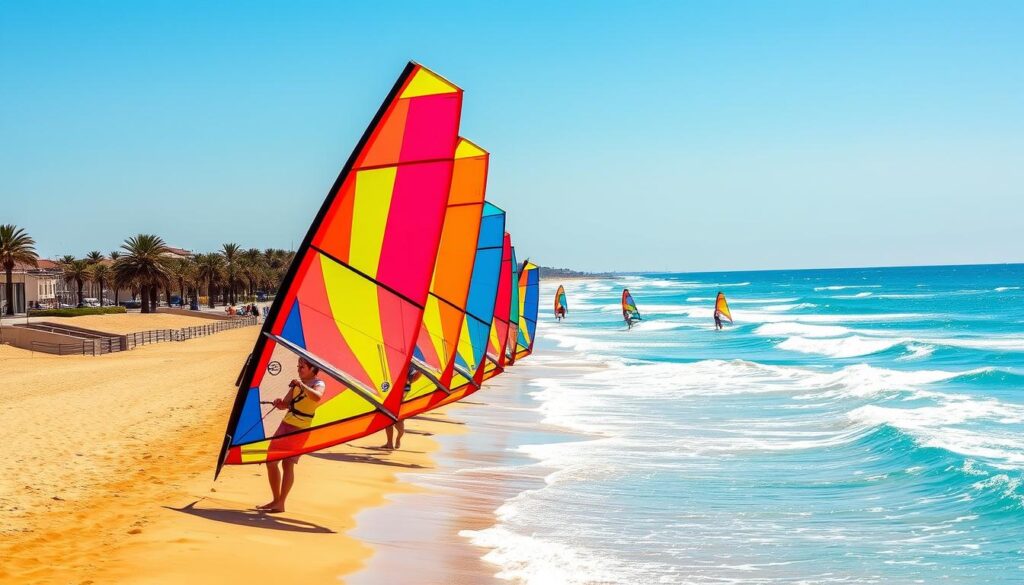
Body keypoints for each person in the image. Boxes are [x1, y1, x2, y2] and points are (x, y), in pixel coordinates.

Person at [258, 357, 326, 513]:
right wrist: (279, 403)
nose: (299, 369)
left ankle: (281, 503)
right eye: (298, 366)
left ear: (312, 369)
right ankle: (276, 499)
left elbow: (317, 397)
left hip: (300, 429)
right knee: (271, 461)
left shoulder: (318, 384)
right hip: (285, 425)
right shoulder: (296, 384)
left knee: (287, 464)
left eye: (302, 367)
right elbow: (285, 404)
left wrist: (301, 385)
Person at [382, 363, 422, 450]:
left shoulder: (410, 368)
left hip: (401, 396)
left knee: (399, 424)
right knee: (388, 421)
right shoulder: (393, 365)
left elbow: (418, 373)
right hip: (391, 394)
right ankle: (389, 443)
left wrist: (411, 378)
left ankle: (398, 439)